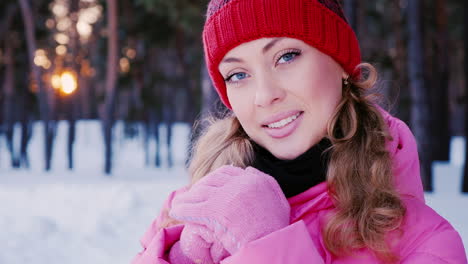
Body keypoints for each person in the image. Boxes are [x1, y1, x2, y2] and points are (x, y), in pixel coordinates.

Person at [131, 0, 467, 263]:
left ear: (340, 64)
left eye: (286, 56)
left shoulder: (428, 243)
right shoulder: (191, 208)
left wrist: (265, 245)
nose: (265, 95)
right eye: (237, 74)